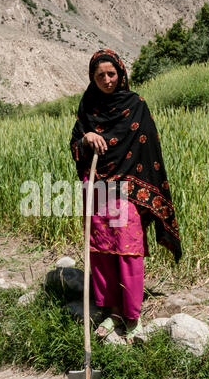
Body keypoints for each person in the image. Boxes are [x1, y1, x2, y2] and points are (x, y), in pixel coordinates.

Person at [70, 49, 182, 343]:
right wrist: (86, 138)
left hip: (126, 190)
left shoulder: (136, 105)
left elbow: (147, 147)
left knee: (129, 250)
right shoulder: (88, 105)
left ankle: (133, 318)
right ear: (92, 78)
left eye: (111, 74)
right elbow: (75, 143)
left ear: (121, 74)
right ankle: (112, 311)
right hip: (96, 186)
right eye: (100, 76)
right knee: (101, 250)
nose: (107, 80)